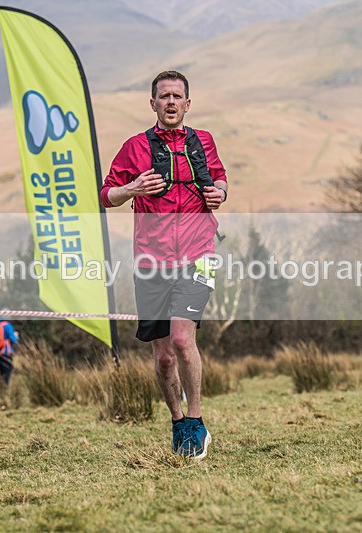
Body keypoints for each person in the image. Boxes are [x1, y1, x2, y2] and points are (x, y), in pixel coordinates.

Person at [100, 70, 227, 460]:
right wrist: (131, 189)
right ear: (152, 103)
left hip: (200, 252)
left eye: (177, 96)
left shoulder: (203, 142)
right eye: (164, 96)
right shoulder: (134, 148)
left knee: (182, 340)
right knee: (164, 354)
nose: (171, 102)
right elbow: (106, 195)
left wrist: (218, 193)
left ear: (188, 104)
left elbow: (220, 182)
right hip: (151, 261)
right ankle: (176, 424)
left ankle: (196, 422)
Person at [0, 318, 19, 387]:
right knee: (7, 373)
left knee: (0, 373)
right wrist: (16, 337)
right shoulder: (7, 326)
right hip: (6, 352)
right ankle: (4, 391)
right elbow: (12, 339)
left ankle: (0, 390)